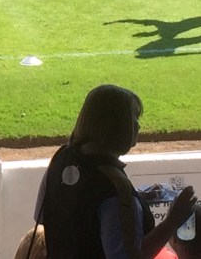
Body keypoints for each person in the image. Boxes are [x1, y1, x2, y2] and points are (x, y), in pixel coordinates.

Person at [36, 85, 196, 258]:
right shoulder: (115, 191)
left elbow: (44, 216)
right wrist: (173, 220)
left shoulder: (61, 158)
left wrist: (135, 204)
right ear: (117, 124)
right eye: (134, 118)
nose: (138, 126)